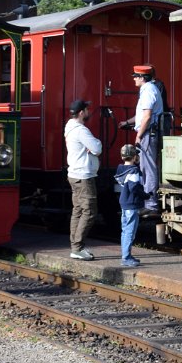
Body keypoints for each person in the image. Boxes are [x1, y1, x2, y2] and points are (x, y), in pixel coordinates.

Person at [120, 64, 162, 217]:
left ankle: (151, 204)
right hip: (148, 132)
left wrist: (139, 135)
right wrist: (127, 122)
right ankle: (148, 202)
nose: (134, 80)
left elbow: (147, 116)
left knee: (148, 168)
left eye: (136, 77)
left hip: (148, 134)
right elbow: (142, 116)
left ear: (142, 78)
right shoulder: (147, 90)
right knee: (145, 167)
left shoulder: (148, 91)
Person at [64, 98, 102, 260]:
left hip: (74, 174)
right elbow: (97, 148)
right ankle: (78, 248)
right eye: (86, 109)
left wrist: (91, 146)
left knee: (78, 211)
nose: (88, 111)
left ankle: (75, 246)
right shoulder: (81, 130)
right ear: (81, 113)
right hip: (83, 175)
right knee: (90, 211)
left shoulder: (69, 127)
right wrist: (95, 144)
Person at [115, 144, 144, 268]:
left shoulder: (120, 169)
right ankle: (126, 257)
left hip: (124, 202)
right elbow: (134, 187)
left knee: (125, 230)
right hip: (132, 203)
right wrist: (146, 195)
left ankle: (126, 255)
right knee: (130, 231)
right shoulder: (134, 170)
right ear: (134, 157)